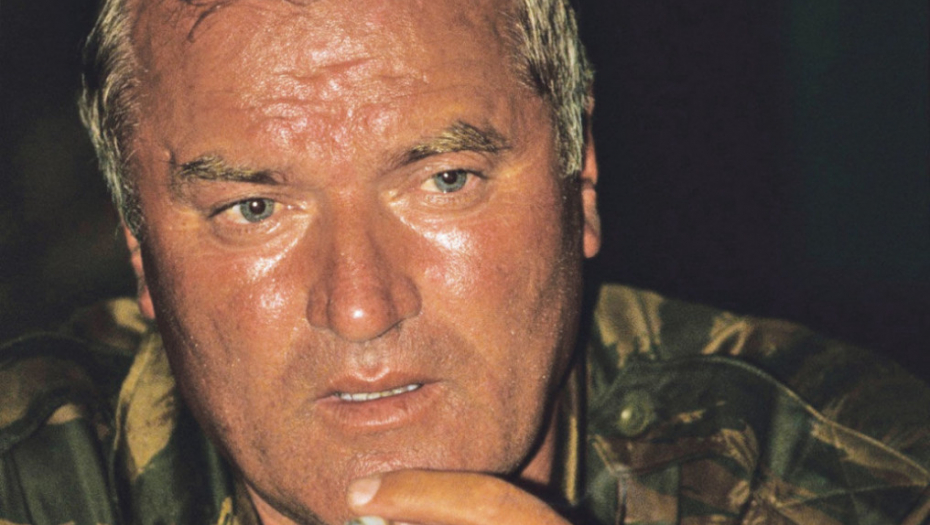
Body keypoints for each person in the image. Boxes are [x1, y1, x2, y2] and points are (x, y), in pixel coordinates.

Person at [1, 0, 928, 524]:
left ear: (580, 178)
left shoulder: (859, 478)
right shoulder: (34, 476)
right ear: (139, 248)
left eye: (445, 179)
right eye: (254, 208)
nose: (361, 306)